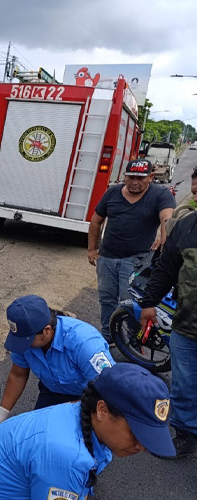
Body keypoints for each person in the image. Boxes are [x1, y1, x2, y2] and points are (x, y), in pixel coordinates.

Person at [0, 363, 176, 500]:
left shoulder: (81, 413)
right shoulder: (67, 456)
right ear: (103, 410)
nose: (142, 446)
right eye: (136, 433)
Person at [0, 295, 114, 430]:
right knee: (37, 433)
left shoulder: (84, 343)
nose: (23, 345)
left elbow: (109, 389)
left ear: (47, 330)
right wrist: (2, 413)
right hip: (53, 391)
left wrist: (68, 409)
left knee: (79, 442)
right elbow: (18, 374)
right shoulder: (25, 339)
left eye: (27, 340)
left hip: (90, 396)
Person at [139, 168, 197, 458]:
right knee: (184, 385)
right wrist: (149, 303)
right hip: (187, 326)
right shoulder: (187, 227)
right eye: (196, 192)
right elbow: (166, 269)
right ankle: (185, 432)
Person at [87, 158, 175, 342]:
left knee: (132, 303)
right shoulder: (112, 193)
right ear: (125, 176)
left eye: (140, 178)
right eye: (131, 177)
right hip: (107, 258)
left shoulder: (160, 195)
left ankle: (133, 341)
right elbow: (96, 220)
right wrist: (91, 249)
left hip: (136, 260)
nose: (135, 182)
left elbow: (167, 218)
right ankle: (108, 337)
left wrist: (164, 236)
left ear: (150, 177)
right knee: (106, 300)